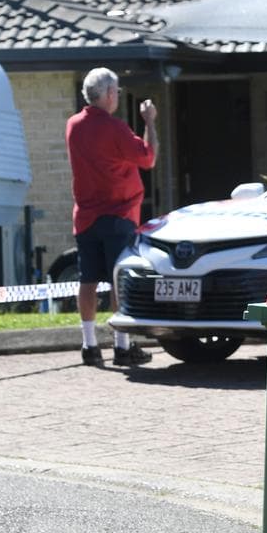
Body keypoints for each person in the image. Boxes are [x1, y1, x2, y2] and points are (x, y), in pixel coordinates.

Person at [66, 67, 157, 367]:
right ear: (107, 94)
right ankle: (121, 345)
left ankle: (89, 344)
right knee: (120, 281)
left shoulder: (73, 126)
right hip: (118, 214)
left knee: (88, 280)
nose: (117, 96)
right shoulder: (115, 128)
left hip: (86, 216)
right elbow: (148, 157)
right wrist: (150, 122)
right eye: (116, 92)